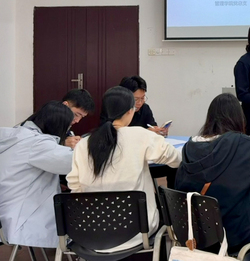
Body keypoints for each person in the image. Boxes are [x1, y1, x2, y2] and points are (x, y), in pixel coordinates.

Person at [68, 86, 181, 253]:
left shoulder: (84, 144)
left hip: (91, 232)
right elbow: (176, 159)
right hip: (137, 231)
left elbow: (75, 187)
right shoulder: (141, 135)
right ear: (130, 111)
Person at [175, 93, 250, 250]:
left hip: (197, 233)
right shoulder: (243, 144)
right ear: (239, 118)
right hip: (235, 234)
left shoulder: (189, 148)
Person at [0, 102, 73, 248]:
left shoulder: (15, 134)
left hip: (5, 211)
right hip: (20, 217)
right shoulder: (37, 144)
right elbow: (72, 163)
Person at [100, 75, 168, 135]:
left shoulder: (145, 108)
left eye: (142, 98)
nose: (140, 103)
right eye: (136, 99)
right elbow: (106, 133)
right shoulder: (112, 108)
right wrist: (145, 133)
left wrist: (157, 131)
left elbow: (152, 126)